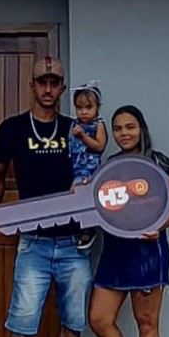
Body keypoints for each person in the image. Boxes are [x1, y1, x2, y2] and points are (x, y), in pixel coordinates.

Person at [0, 56, 91, 337]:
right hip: (33, 241)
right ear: (32, 86)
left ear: (62, 88)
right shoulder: (11, 129)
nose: (48, 89)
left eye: (55, 82)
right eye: (42, 82)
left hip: (74, 241)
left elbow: (92, 171)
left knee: (73, 317)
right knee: (23, 317)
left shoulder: (76, 129)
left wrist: (86, 185)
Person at [87, 105, 169, 337]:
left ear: (141, 128)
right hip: (116, 251)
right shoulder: (110, 167)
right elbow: (99, 207)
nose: (124, 133)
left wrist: (158, 227)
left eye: (130, 127)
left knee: (147, 325)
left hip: (149, 253)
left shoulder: (160, 163)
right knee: (99, 319)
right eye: (117, 128)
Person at [68, 81, 107, 250]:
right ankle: (81, 227)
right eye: (79, 107)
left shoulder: (98, 124)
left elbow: (99, 146)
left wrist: (83, 136)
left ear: (97, 107)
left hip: (90, 167)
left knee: (83, 194)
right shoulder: (74, 124)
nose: (83, 112)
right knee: (75, 196)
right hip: (75, 165)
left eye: (88, 107)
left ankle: (88, 228)